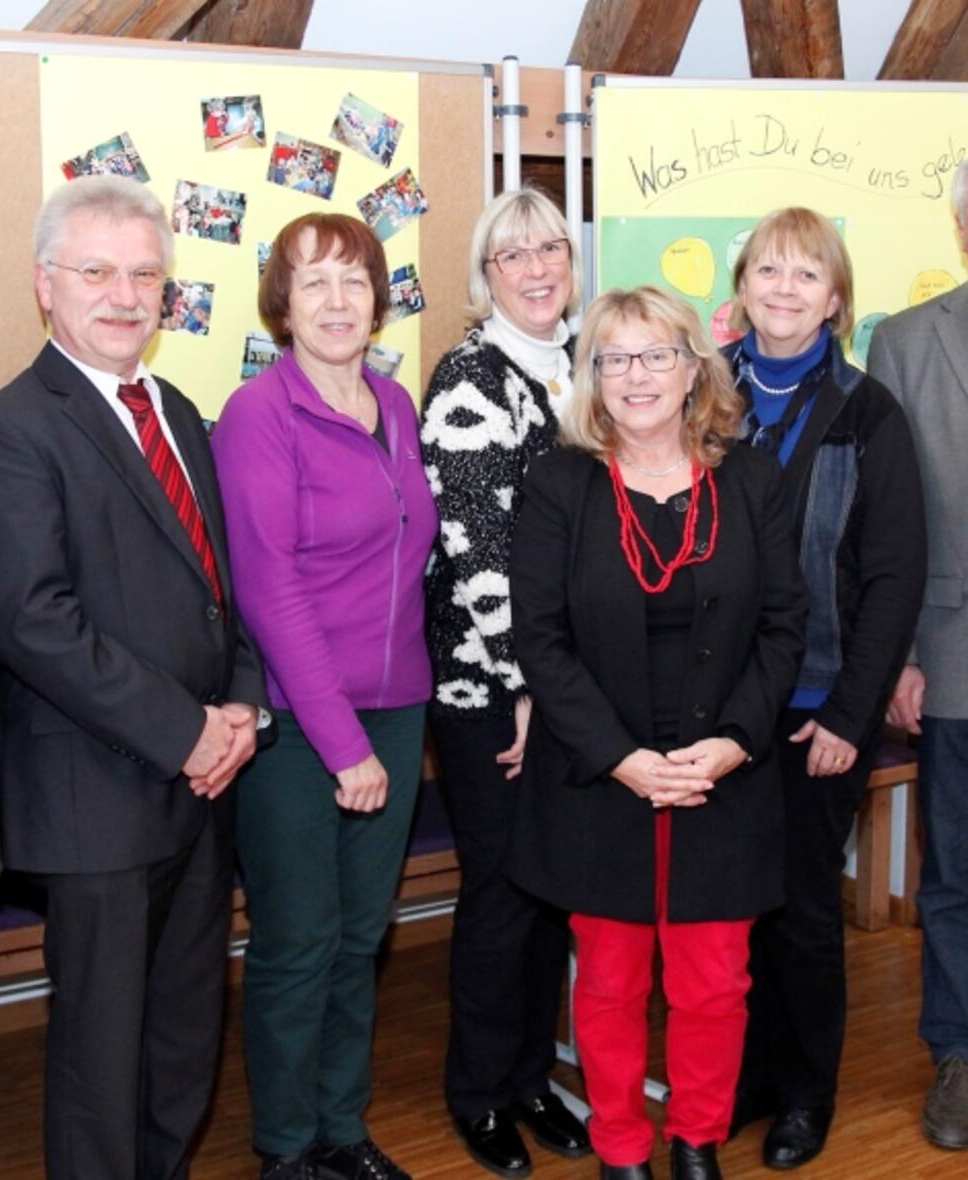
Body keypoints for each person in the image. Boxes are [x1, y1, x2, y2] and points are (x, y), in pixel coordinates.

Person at [0, 175, 268, 1180]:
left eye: (145, 273)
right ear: (47, 285)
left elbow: (224, 586)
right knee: (99, 1057)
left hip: (201, 787)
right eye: (97, 271)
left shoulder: (175, 406)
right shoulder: (10, 428)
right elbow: (34, 622)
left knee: (182, 1039)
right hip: (96, 796)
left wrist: (244, 707)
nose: (124, 294)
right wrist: (189, 731)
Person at [508, 286, 808, 1180]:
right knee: (608, 984)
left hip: (726, 776)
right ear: (591, 378)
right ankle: (621, 1149)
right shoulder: (558, 482)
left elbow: (786, 625)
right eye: (614, 359)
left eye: (656, 355)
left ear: (693, 369)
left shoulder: (751, 478)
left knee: (715, 983)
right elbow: (541, 639)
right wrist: (623, 759)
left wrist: (739, 740)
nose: (636, 376)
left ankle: (697, 1141)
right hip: (603, 780)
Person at [211, 212, 438, 1180]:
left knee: (359, 937)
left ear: (377, 298)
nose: (337, 301)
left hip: (399, 707)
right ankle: (287, 1148)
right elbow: (269, 588)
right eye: (313, 284)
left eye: (353, 280)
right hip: (302, 727)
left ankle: (343, 1128)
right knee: (298, 944)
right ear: (282, 305)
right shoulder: (257, 415)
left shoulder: (397, 403)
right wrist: (344, 744)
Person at [724, 208, 926, 1169]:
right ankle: (751, 1076)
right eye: (769, 270)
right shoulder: (699, 394)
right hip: (717, 713)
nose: (785, 289)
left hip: (816, 712)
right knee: (735, 904)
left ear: (836, 298)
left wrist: (851, 713)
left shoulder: (867, 413)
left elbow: (893, 575)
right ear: (743, 287)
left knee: (804, 910)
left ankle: (806, 1094)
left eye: (807, 275)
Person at [418, 186, 590, 1176]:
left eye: (550, 250)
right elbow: (478, 552)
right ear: (485, 277)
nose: (534, 269)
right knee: (500, 893)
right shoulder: (469, 378)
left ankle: (532, 1079)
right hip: (490, 690)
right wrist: (529, 684)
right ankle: (478, 1091)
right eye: (511, 255)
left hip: (567, 687)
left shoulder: (584, 364)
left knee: (553, 889)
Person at [868, 162, 968, 1152]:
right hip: (953, 652)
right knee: (954, 875)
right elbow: (885, 526)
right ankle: (958, 1053)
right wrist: (895, 651)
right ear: (959, 224)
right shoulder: (902, 341)